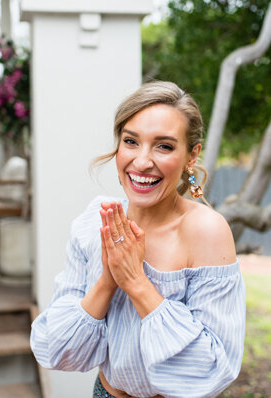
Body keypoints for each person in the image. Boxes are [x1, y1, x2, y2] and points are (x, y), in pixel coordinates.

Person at [30, 81, 246, 398]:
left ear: (191, 155)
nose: (142, 162)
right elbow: (56, 350)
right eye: (131, 141)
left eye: (164, 146)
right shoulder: (95, 221)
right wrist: (108, 278)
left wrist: (136, 281)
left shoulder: (206, 230)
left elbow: (210, 369)